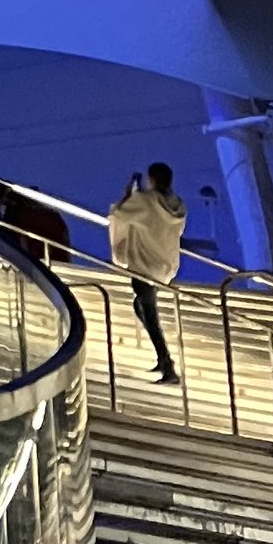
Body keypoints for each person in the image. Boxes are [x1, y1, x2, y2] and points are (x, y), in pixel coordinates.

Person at [108, 161, 186, 385]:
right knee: (141, 307)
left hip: (143, 264)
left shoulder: (145, 201)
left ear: (152, 179)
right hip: (163, 264)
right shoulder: (177, 204)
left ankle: (168, 366)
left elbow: (119, 213)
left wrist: (129, 193)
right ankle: (163, 361)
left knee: (149, 313)